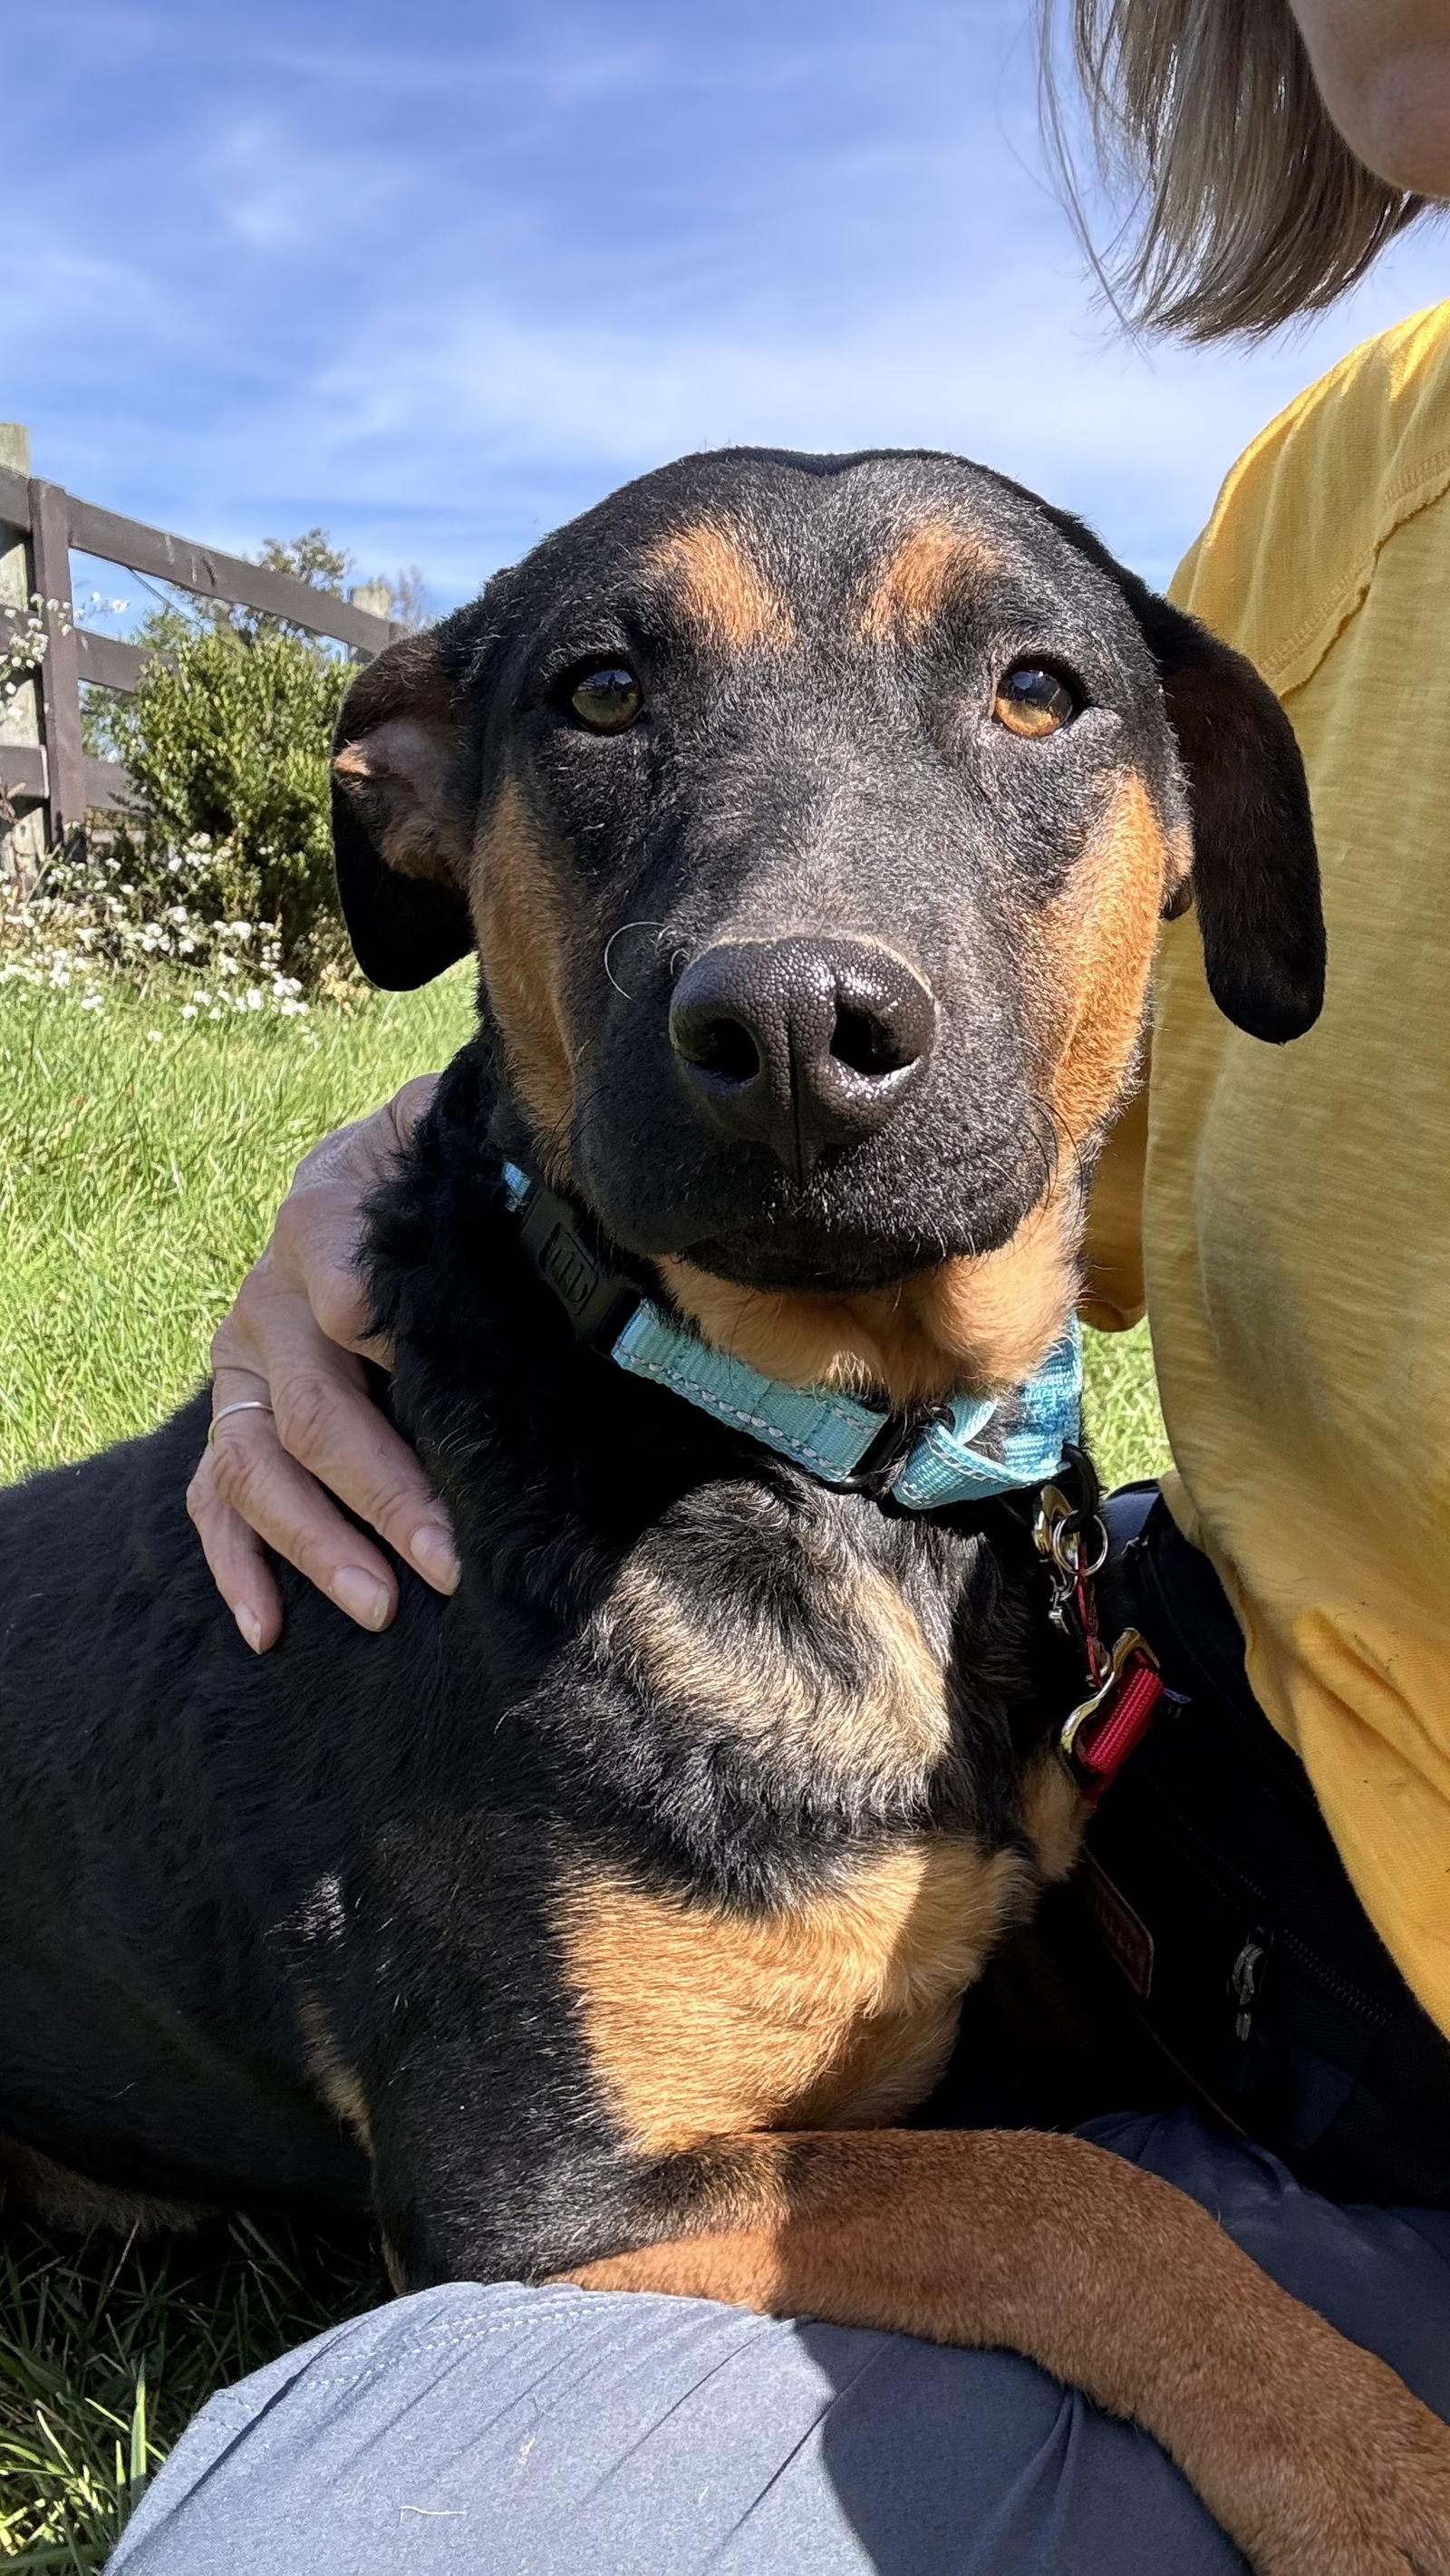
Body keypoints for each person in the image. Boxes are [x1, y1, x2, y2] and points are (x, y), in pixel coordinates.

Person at [116, 5, 1450, 2568]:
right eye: (611, 695)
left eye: (1028, 694)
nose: (806, 980)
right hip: (1268, 1907)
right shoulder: (1328, 491)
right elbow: (1087, 1148)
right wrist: (421, 1148)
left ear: (1202, 837)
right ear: (426, 811)